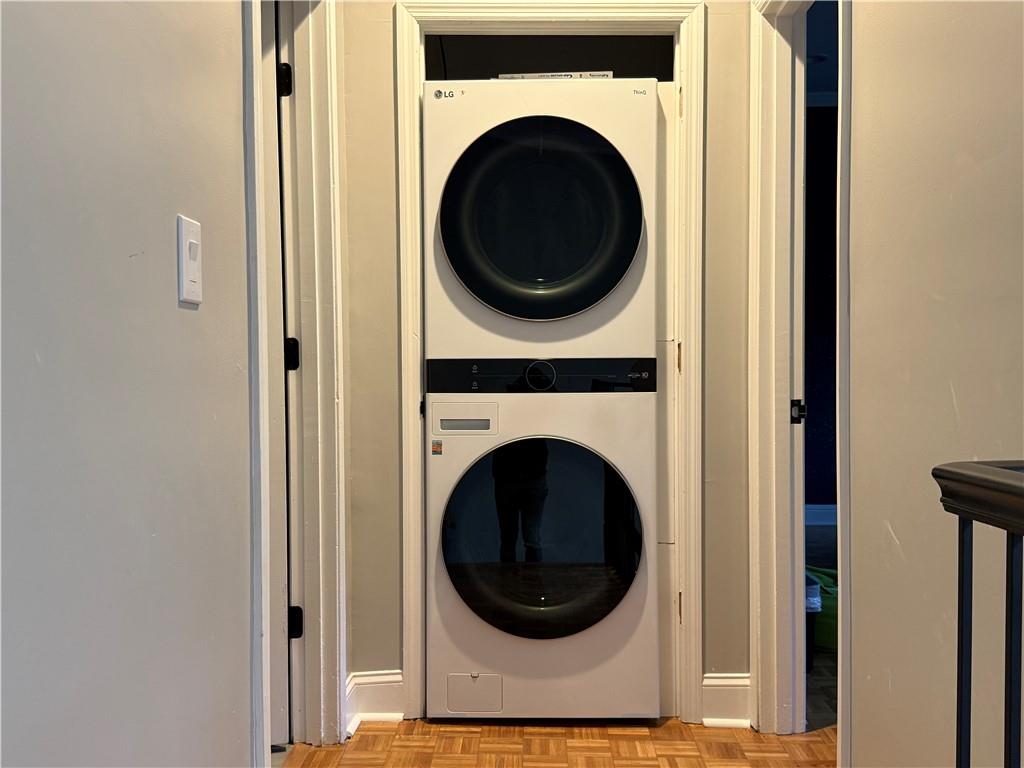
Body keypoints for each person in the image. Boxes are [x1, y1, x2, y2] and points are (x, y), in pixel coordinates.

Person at [492, 439, 549, 563]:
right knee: (531, 538)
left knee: (508, 539)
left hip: (507, 474)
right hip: (533, 473)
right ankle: (534, 581)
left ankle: (508, 581)